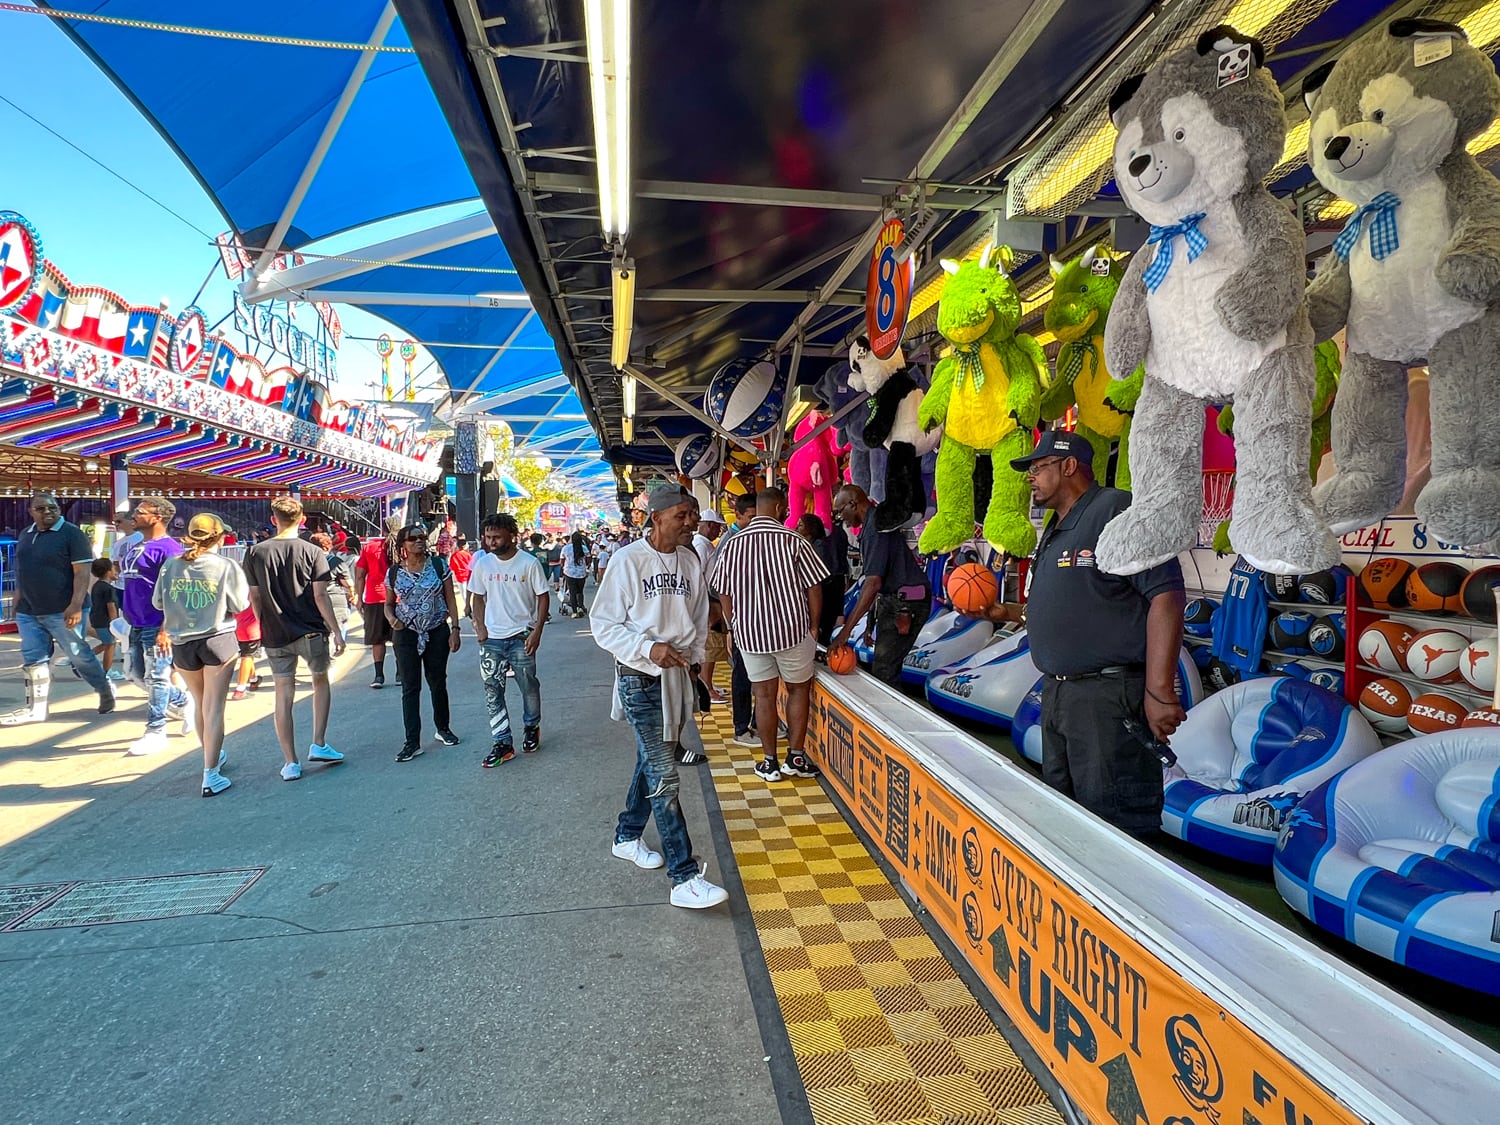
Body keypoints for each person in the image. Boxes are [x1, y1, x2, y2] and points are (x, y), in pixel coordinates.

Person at [983, 432, 1186, 837]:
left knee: (1113, 825)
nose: (1031, 478)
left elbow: (1167, 596)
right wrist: (1005, 612)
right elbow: (1074, 604)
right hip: (1059, 695)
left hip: (1106, 699)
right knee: (1067, 821)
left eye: (1039, 468)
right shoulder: (1058, 527)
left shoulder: (1114, 509)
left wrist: (1160, 691)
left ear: (1069, 466)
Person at [590, 484, 727, 910]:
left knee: (652, 763)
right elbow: (604, 624)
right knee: (665, 777)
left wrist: (699, 669)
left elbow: (699, 617)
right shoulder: (628, 561)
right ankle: (683, 876)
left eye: (692, 515)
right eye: (681, 516)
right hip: (640, 678)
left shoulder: (690, 560)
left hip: (678, 677)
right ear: (657, 518)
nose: (690, 523)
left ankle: (627, 835)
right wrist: (649, 649)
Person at [709, 487, 827, 782]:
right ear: (777, 509)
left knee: (763, 696)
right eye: (785, 507)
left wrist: (732, 625)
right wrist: (814, 626)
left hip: (750, 634)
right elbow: (814, 587)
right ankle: (796, 757)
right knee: (799, 690)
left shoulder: (734, 545)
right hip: (793, 631)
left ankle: (770, 762)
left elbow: (722, 590)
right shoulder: (794, 541)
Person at [245, 494, 348, 780]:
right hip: (311, 629)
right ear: (302, 520)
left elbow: (254, 596)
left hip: (275, 632)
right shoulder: (313, 552)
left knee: (283, 693)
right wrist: (336, 630)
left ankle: (290, 761)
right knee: (320, 682)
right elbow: (320, 595)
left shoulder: (255, 552)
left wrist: (263, 623)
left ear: (272, 519)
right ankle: (319, 742)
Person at [154, 514, 249, 798]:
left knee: (199, 703)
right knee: (215, 707)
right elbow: (240, 603)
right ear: (219, 537)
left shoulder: (171, 565)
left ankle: (211, 755)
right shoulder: (225, 566)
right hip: (217, 638)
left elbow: (158, 601)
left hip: (182, 642)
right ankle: (211, 773)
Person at [3, 494, 115, 725]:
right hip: (29, 611)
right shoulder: (26, 534)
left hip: (63, 611)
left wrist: (75, 606)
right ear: (31, 511)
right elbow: (22, 571)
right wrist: (17, 599)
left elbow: (82, 573)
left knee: (79, 655)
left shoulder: (72, 534)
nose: (47, 511)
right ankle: (36, 708)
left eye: (52, 507)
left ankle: (104, 689)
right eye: (41, 508)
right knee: (33, 659)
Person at [468, 512, 549, 766]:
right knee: (493, 690)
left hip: (521, 635)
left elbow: (543, 596)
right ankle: (502, 742)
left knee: (528, 685)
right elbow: (477, 597)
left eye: (496, 537)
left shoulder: (529, 563)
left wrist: (537, 631)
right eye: (488, 537)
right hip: (492, 638)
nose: (491, 542)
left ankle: (531, 726)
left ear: (511, 537)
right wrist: (480, 627)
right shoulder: (483, 564)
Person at [831, 483, 932, 684]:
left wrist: (846, 631)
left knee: (884, 671)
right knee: (884, 667)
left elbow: (873, 583)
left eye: (841, 511)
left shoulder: (874, 529)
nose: (842, 518)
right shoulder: (874, 523)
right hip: (897, 599)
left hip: (907, 603)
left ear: (853, 503)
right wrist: (870, 623)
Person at [120, 496, 194, 754]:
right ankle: (185, 701)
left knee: (157, 676)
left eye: (141, 511)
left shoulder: (170, 550)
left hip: (156, 623)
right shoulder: (135, 546)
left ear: (158, 517)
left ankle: (156, 730)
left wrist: (166, 628)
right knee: (136, 674)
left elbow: (176, 592)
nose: (135, 515)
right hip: (136, 622)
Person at [385, 524, 462, 761]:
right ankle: (412, 741)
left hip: (436, 629)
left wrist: (455, 629)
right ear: (403, 545)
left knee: (437, 681)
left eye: (422, 537)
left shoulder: (439, 566)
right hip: (406, 633)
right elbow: (388, 603)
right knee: (410, 687)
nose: (419, 541)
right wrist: (391, 618)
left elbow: (450, 598)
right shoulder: (394, 572)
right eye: (412, 539)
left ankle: (443, 728)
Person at [720, 492, 761, 747]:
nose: (756, 522)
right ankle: (741, 727)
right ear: (739, 515)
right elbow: (721, 589)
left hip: (758, 623)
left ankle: (759, 722)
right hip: (741, 625)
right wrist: (730, 625)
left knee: (759, 678)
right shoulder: (730, 542)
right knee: (743, 676)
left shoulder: (756, 539)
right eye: (751, 517)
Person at [355, 515, 403, 689]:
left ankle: (379, 676)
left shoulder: (370, 548)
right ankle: (400, 674)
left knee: (377, 640)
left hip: (375, 598)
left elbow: (360, 575)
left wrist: (358, 597)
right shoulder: (403, 548)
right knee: (399, 638)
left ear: (383, 529)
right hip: (399, 598)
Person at [796, 514, 849, 646]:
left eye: (801, 525)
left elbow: (817, 575)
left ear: (810, 528)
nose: (797, 528)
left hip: (826, 590)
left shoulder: (818, 545)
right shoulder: (817, 543)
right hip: (833, 585)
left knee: (824, 623)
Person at [694, 512, 729, 705]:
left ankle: (708, 684)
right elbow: (697, 576)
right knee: (711, 647)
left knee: (713, 648)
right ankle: (706, 688)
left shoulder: (706, 545)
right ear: (707, 525)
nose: (718, 530)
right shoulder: (700, 545)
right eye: (716, 526)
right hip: (708, 603)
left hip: (711, 602)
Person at [311, 532, 354, 630]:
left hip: (314, 604)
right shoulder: (336, 561)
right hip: (336, 602)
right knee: (337, 634)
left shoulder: (308, 561)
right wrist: (352, 594)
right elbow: (348, 583)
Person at [87, 558, 121, 677]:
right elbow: (111, 606)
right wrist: (116, 624)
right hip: (105, 621)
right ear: (107, 572)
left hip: (97, 619)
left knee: (107, 643)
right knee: (110, 645)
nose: (116, 572)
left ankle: (83, 658)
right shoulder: (108, 588)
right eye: (113, 569)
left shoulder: (97, 585)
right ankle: (106, 672)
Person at [230, 604, 262, 701]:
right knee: (247, 657)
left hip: (237, 627)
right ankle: (240, 690)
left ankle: (253, 680)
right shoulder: (253, 592)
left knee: (248, 655)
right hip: (252, 629)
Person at [560, 530, 590, 617]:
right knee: (580, 591)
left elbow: (562, 560)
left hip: (569, 572)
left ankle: (574, 611)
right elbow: (588, 559)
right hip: (581, 573)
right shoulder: (584, 548)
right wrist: (586, 566)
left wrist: (563, 567)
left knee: (572, 592)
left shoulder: (566, 548)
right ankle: (580, 607)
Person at [448, 535, 475, 618]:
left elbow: (452, 567)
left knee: (464, 593)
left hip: (459, 576)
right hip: (468, 575)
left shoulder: (454, 556)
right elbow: (472, 565)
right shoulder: (468, 555)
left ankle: (467, 606)